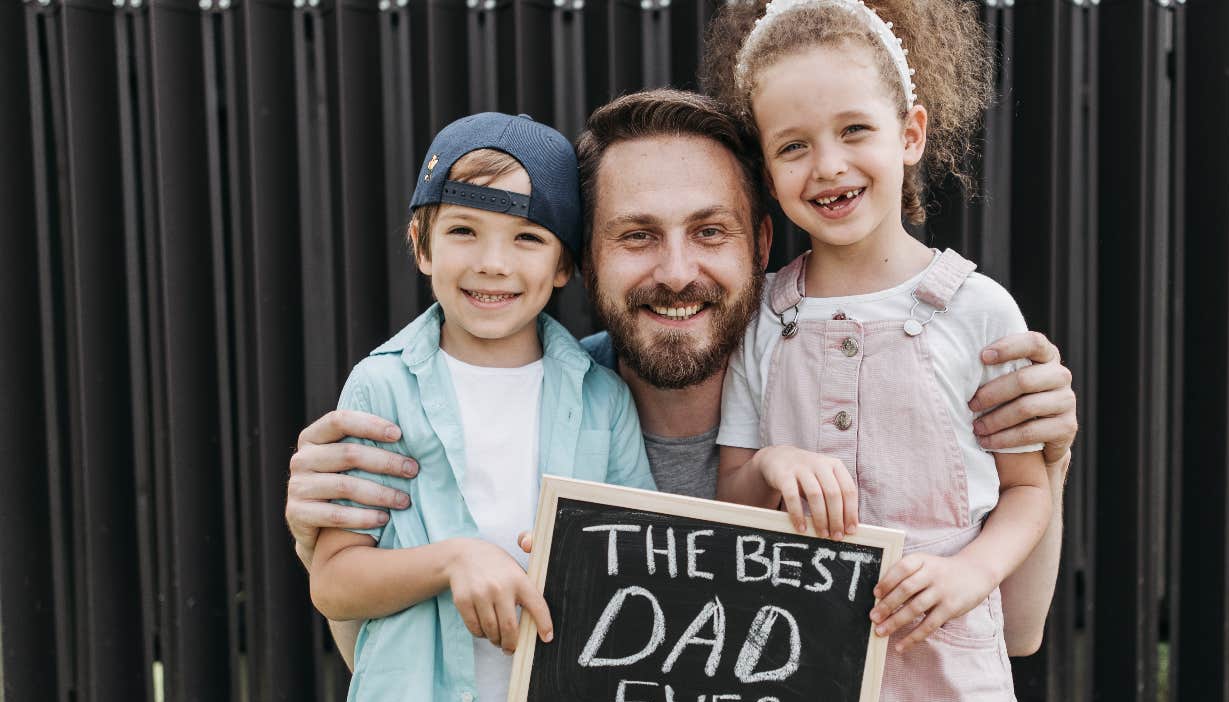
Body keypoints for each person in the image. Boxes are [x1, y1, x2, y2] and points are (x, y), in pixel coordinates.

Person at [286, 90, 1077, 671]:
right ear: (583, 260)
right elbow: (378, 659)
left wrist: (1043, 466)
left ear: (761, 242)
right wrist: (320, 541)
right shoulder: (529, 400)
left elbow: (1018, 631)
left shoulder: (844, 389)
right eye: (636, 236)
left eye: (709, 232)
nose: (676, 272)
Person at [702, 0, 1047, 702]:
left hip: (949, 694)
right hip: (795, 690)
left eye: (855, 130)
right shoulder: (761, 319)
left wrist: (970, 573)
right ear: (766, 167)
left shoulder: (979, 312)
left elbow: (1028, 489)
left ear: (910, 134)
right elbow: (732, 492)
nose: (828, 165)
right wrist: (774, 462)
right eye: (793, 145)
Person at [306, 113, 654, 702]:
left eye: (527, 237)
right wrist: (453, 559)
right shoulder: (383, 390)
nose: (493, 263)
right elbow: (333, 581)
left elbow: (640, 573)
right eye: (464, 230)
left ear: (563, 266)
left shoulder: (601, 399)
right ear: (422, 244)